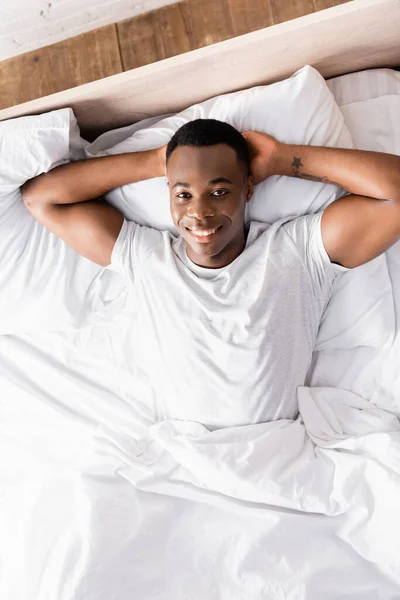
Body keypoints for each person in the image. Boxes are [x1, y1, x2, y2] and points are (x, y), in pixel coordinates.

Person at [21, 119, 400, 429]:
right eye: (183, 194)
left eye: (218, 192)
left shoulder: (296, 251)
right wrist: (158, 161)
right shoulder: (146, 257)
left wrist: (281, 159)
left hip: (274, 459)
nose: (199, 213)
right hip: (184, 461)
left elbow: (394, 195)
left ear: (248, 189)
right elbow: (41, 197)